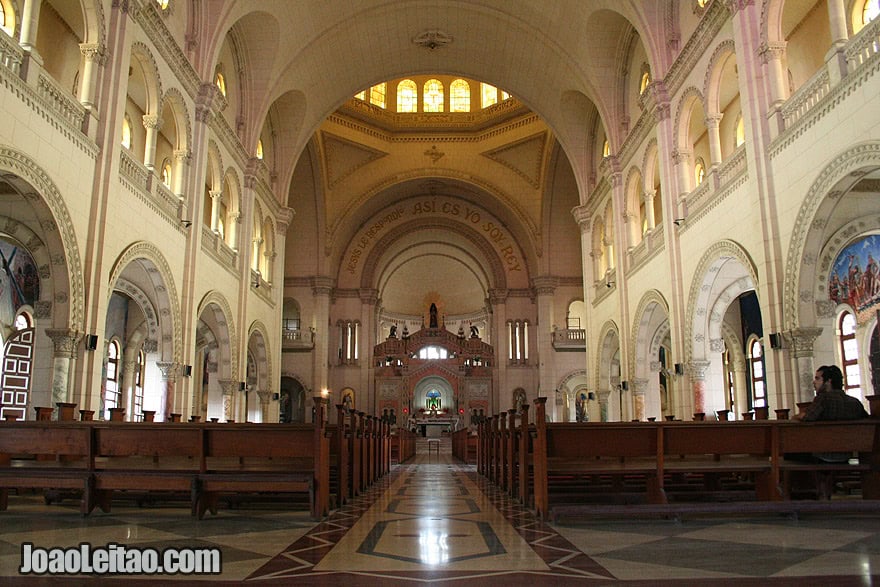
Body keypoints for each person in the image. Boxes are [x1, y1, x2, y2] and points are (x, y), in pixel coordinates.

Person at [790, 365, 868, 467]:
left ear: (828, 381)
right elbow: (866, 420)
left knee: (790, 452)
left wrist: (796, 416)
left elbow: (808, 417)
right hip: (846, 454)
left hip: (822, 454)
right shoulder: (854, 402)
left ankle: (811, 483)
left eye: (817, 378)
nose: (814, 382)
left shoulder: (823, 399)